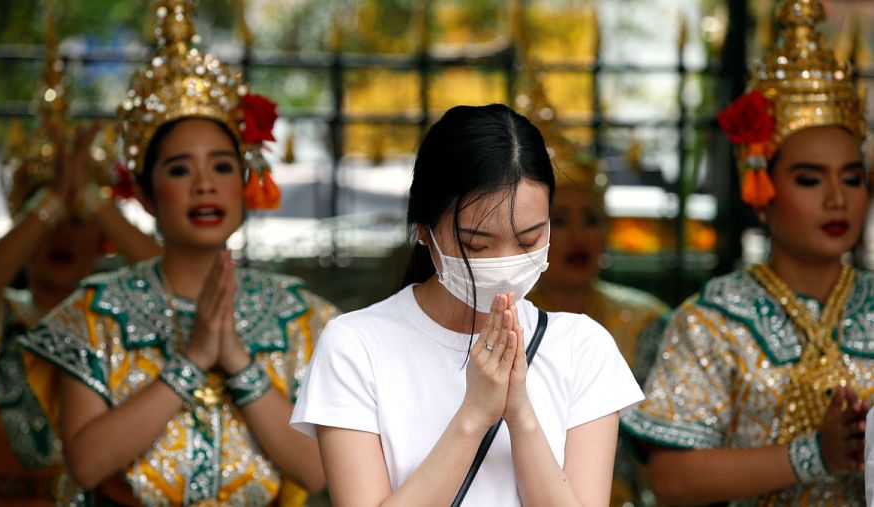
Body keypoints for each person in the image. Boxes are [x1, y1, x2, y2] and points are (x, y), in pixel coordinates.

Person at [19, 1, 336, 505]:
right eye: (180, 170)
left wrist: (234, 359)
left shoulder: (301, 316)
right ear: (145, 195)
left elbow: (319, 472)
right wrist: (191, 361)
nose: (205, 185)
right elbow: (85, 464)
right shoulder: (94, 313)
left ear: (245, 182)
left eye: (222, 167)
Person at [290, 103, 643, 506]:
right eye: (477, 244)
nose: (503, 263)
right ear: (425, 229)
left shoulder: (584, 348)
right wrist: (474, 416)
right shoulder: (355, 346)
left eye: (529, 239)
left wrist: (521, 414)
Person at [621, 1, 872, 505]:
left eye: (852, 178)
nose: (836, 199)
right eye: (808, 179)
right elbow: (669, 480)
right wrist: (811, 456)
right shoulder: (712, 322)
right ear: (762, 188)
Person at [0, 13, 160, 506]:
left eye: (77, 223)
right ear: (25, 226)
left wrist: (95, 204)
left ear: (100, 238)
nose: (61, 236)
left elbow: (187, 287)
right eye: (47, 219)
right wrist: (54, 202)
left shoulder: (120, 318)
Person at [508, 7, 669, 503]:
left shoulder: (643, 323)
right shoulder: (491, 318)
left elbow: (659, 459)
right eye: (559, 220)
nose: (578, 236)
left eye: (592, 219)